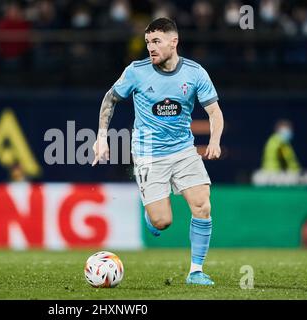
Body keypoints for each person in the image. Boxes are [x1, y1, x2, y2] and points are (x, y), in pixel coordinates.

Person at [92, 18, 224, 286]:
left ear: (173, 42)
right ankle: (152, 216)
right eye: (148, 42)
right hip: (149, 153)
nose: (150, 47)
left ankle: (195, 271)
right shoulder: (136, 72)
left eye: (156, 41)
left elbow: (214, 112)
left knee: (202, 205)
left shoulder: (195, 73)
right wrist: (101, 137)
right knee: (162, 222)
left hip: (184, 150)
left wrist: (215, 140)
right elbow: (110, 99)